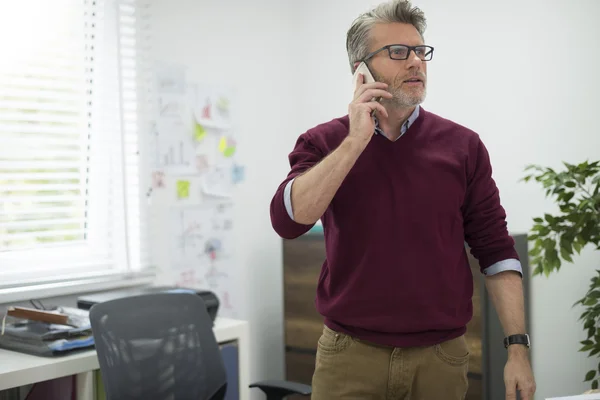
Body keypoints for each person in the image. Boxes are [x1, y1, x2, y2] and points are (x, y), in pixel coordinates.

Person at [269, 0, 536, 399]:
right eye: (398, 52)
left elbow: (497, 250)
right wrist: (355, 141)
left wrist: (517, 348)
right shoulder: (323, 141)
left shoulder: (463, 147)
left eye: (420, 50)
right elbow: (289, 221)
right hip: (349, 356)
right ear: (361, 69)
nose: (415, 62)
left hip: (441, 360)